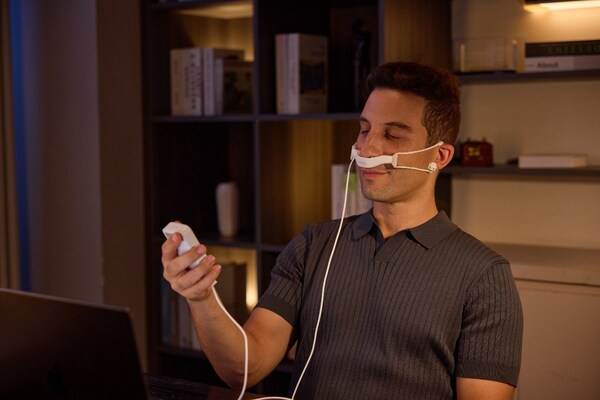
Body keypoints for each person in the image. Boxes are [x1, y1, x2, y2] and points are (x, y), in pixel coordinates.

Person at [162, 61, 523, 400]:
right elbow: (243, 371)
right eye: (365, 130)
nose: (367, 148)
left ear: (439, 156)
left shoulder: (484, 276)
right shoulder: (313, 245)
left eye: (392, 135)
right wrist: (201, 298)